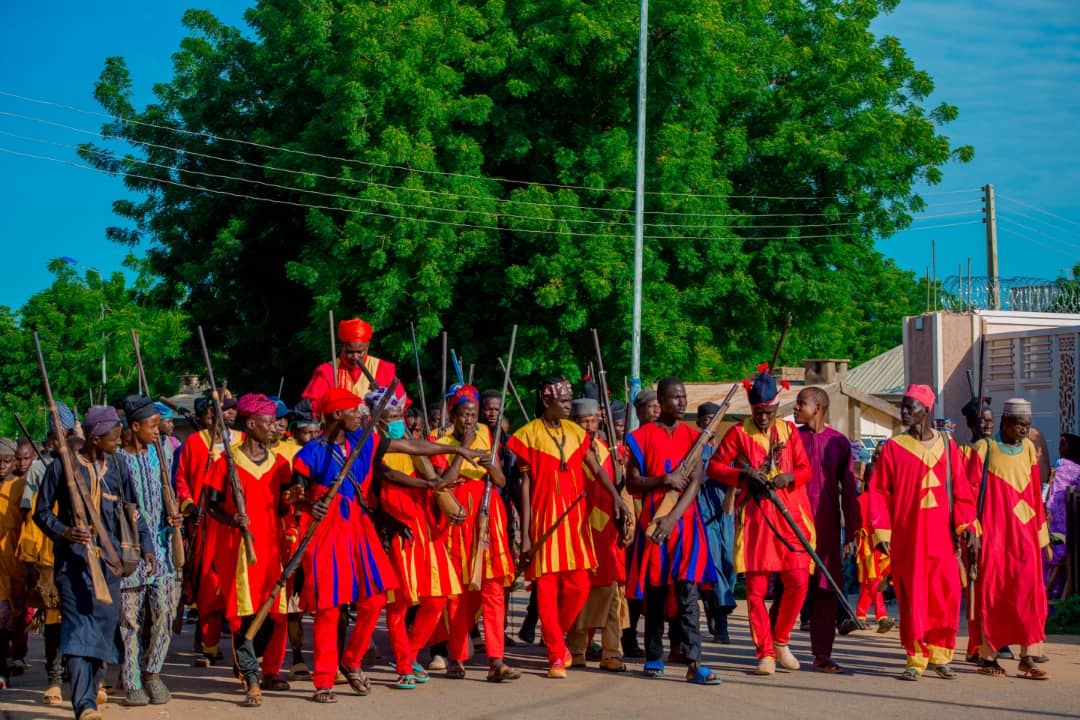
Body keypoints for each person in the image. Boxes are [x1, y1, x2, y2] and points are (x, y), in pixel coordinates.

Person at [293, 387, 478, 703]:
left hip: (359, 529)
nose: (360, 416)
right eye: (354, 411)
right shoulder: (309, 454)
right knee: (329, 608)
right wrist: (309, 505)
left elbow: (411, 445)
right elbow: (291, 496)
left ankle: (351, 661)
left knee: (375, 600)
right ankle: (323, 680)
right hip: (326, 531)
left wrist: (457, 451)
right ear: (337, 414)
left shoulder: (364, 442)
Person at [34, 405, 156, 720]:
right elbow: (42, 512)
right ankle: (84, 704)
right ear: (94, 438)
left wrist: (146, 546)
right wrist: (65, 532)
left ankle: (94, 687)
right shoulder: (61, 467)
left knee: (102, 630)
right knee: (77, 631)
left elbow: (133, 508)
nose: (119, 442)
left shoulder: (117, 466)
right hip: (72, 566)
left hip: (110, 566)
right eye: (114, 438)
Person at [707, 366, 813, 676]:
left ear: (777, 407)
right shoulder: (738, 433)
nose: (763, 417)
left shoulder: (790, 433)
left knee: (798, 581)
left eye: (768, 411)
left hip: (790, 516)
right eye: (757, 411)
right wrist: (742, 475)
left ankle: (781, 639)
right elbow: (715, 467)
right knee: (754, 591)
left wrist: (789, 476)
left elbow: (806, 470)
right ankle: (764, 652)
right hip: (755, 517)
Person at [869, 384, 978, 681]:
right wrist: (883, 534)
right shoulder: (894, 448)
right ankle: (915, 658)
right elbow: (878, 492)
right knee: (914, 597)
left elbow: (963, 493)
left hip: (943, 539)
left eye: (910, 407)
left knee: (945, 595)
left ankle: (942, 655)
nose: (904, 412)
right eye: (903, 406)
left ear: (926, 410)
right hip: (909, 538)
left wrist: (967, 526)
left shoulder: (948, 445)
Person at [367, 386, 465, 688]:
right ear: (376, 420)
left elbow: (440, 476)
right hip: (396, 530)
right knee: (399, 603)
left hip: (426, 530)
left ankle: (408, 656)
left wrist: (453, 466)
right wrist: (428, 485)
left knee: (436, 599)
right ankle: (404, 664)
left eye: (399, 414)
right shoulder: (371, 444)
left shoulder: (418, 444)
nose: (397, 419)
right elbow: (390, 476)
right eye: (390, 415)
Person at [625, 377, 720, 685]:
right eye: (675, 397)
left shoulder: (694, 436)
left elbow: (694, 482)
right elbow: (633, 483)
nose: (681, 402)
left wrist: (674, 518)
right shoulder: (640, 437)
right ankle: (654, 656)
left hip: (686, 526)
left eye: (684, 397)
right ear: (661, 401)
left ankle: (694, 662)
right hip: (653, 524)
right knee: (653, 593)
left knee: (688, 595)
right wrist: (663, 480)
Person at [506, 376, 602, 678]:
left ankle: (555, 637)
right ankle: (555, 655)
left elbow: (596, 469)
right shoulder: (527, 435)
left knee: (580, 586)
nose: (567, 406)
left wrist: (620, 502)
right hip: (544, 519)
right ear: (547, 402)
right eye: (562, 402)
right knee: (546, 589)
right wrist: (525, 534)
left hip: (575, 523)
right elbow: (524, 485)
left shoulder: (577, 433)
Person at [205, 394, 295, 706]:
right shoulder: (225, 462)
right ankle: (251, 676)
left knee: (273, 612)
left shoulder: (280, 464)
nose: (275, 428)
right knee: (243, 614)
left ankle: (267, 668)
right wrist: (232, 519)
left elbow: (284, 508)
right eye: (269, 423)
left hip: (271, 547)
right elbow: (210, 505)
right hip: (240, 550)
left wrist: (292, 499)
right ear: (252, 424)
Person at [432, 385, 520, 682]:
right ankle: (456, 655)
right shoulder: (441, 441)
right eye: (463, 415)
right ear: (453, 416)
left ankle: (496, 660)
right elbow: (445, 481)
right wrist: (463, 448)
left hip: (487, 514)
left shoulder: (487, 435)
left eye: (472, 414)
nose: (469, 420)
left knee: (493, 589)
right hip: (458, 515)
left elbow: (501, 479)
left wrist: (489, 465)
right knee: (459, 594)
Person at [967, 398, 1051, 679]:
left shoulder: (1028, 448)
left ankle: (1029, 656)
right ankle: (988, 657)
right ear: (1005, 423)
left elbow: (1033, 492)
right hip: (993, 534)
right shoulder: (983, 448)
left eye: (1027, 425)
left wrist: (1041, 534)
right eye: (1019, 425)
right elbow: (968, 494)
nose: (1024, 430)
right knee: (993, 593)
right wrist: (971, 531)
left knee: (1030, 593)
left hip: (1024, 534)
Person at [116, 395, 184, 706]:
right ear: (134, 426)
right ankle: (131, 681)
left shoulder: (163, 452)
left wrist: (174, 514)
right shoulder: (116, 460)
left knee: (164, 613)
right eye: (152, 426)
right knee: (130, 620)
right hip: (130, 552)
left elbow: (170, 490)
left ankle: (153, 672)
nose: (158, 431)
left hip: (163, 547)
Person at [792, 387, 860, 673]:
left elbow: (850, 490)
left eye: (801, 403)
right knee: (789, 587)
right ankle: (770, 647)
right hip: (794, 524)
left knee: (825, 589)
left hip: (828, 526)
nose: (795, 408)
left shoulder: (839, 443)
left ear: (817, 407)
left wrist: (853, 531)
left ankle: (822, 653)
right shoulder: (791, 439)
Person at [566, 398, 632, 673]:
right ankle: (577, 649)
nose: (589, 426)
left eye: (593, 421)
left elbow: (619, 489)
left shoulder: (609, 451)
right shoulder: (568, 451)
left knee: (612, 594)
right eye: (583, 421)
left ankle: (611, 651)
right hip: (578, 527)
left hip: (606, 530)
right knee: (579, 591)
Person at [175, 394, 240, 668]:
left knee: (237, 585)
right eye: (223, 411)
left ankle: (242, 649)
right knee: (207, 584)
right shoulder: (194, 442)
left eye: (232, 410)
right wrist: (191, 507)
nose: (229, 415)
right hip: (204, 523)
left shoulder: (241, 441)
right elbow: (181, 479)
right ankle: (209, 644)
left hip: (233, 524)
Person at [301, 317, 403, 415]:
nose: (355, 357)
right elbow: (313, 404)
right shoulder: (327, 370)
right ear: (343, 346)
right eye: (350, 352)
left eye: (359, 352)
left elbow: (399, 402)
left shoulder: (382, 368)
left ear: (367, 347)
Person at [695, 401, 736, 644]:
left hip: (726, 515)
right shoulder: (694, 452)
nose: (712, 423)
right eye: (708, 418)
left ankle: (715, 607)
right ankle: (721, 623)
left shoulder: (726, 451)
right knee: (716, 569)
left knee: (729, 565)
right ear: (700, 422)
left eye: (716, 419)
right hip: (703, 515)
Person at [852, 444, 894, 632]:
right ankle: (881, 615)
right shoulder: (864, 499)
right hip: (870, 546)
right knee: (874, 580)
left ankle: (860, 615)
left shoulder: (877, 497)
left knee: (871, 582)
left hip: (877, 544)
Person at [0, 437, 27, 689]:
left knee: (15, 616)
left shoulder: (20, 486)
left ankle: (17, 657)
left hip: (16, 561)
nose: (2, 466)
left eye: (7, 461)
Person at [1046, 433, 1080, 600]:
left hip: (1056, 533)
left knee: (1046, 553)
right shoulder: (1078, 474)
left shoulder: (1060, 466)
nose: (1059, 448)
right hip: (1071, 536)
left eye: (1063, 445)